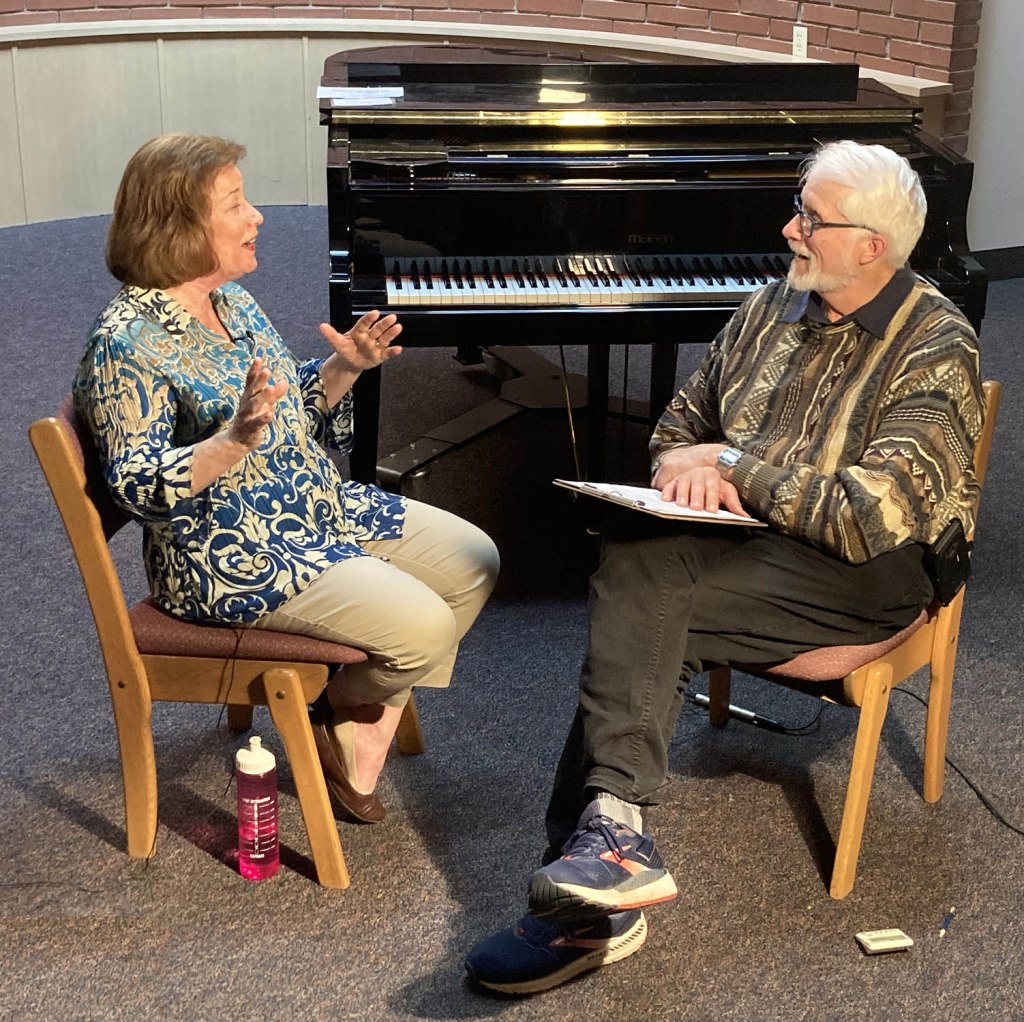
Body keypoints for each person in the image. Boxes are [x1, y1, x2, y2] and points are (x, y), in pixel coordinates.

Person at [464, 140, 983, 994]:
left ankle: (593, 883)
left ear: (872, 247)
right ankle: (609, 850)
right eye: (798, 210)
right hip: (756, 542)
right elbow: (678, 427)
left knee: (642, 595)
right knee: (640, 560)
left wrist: (733, 466)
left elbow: (867, 518)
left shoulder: (936, 345)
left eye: (811, 219)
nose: (790, 230)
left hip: (870, 574)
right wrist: (689, 466)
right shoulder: (770, 305)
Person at [74, 133, 499, 824]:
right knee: (424, 627)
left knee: (476, 561)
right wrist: (231, 442)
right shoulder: (123, 343)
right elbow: (136, 485)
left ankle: (349, 709)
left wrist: (344, 366)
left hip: (312, 507)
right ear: (180, 226)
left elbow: (287, 412)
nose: (257, 216)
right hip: (227, 553)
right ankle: (343, 709)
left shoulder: (231, 301)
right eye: (235, 204)